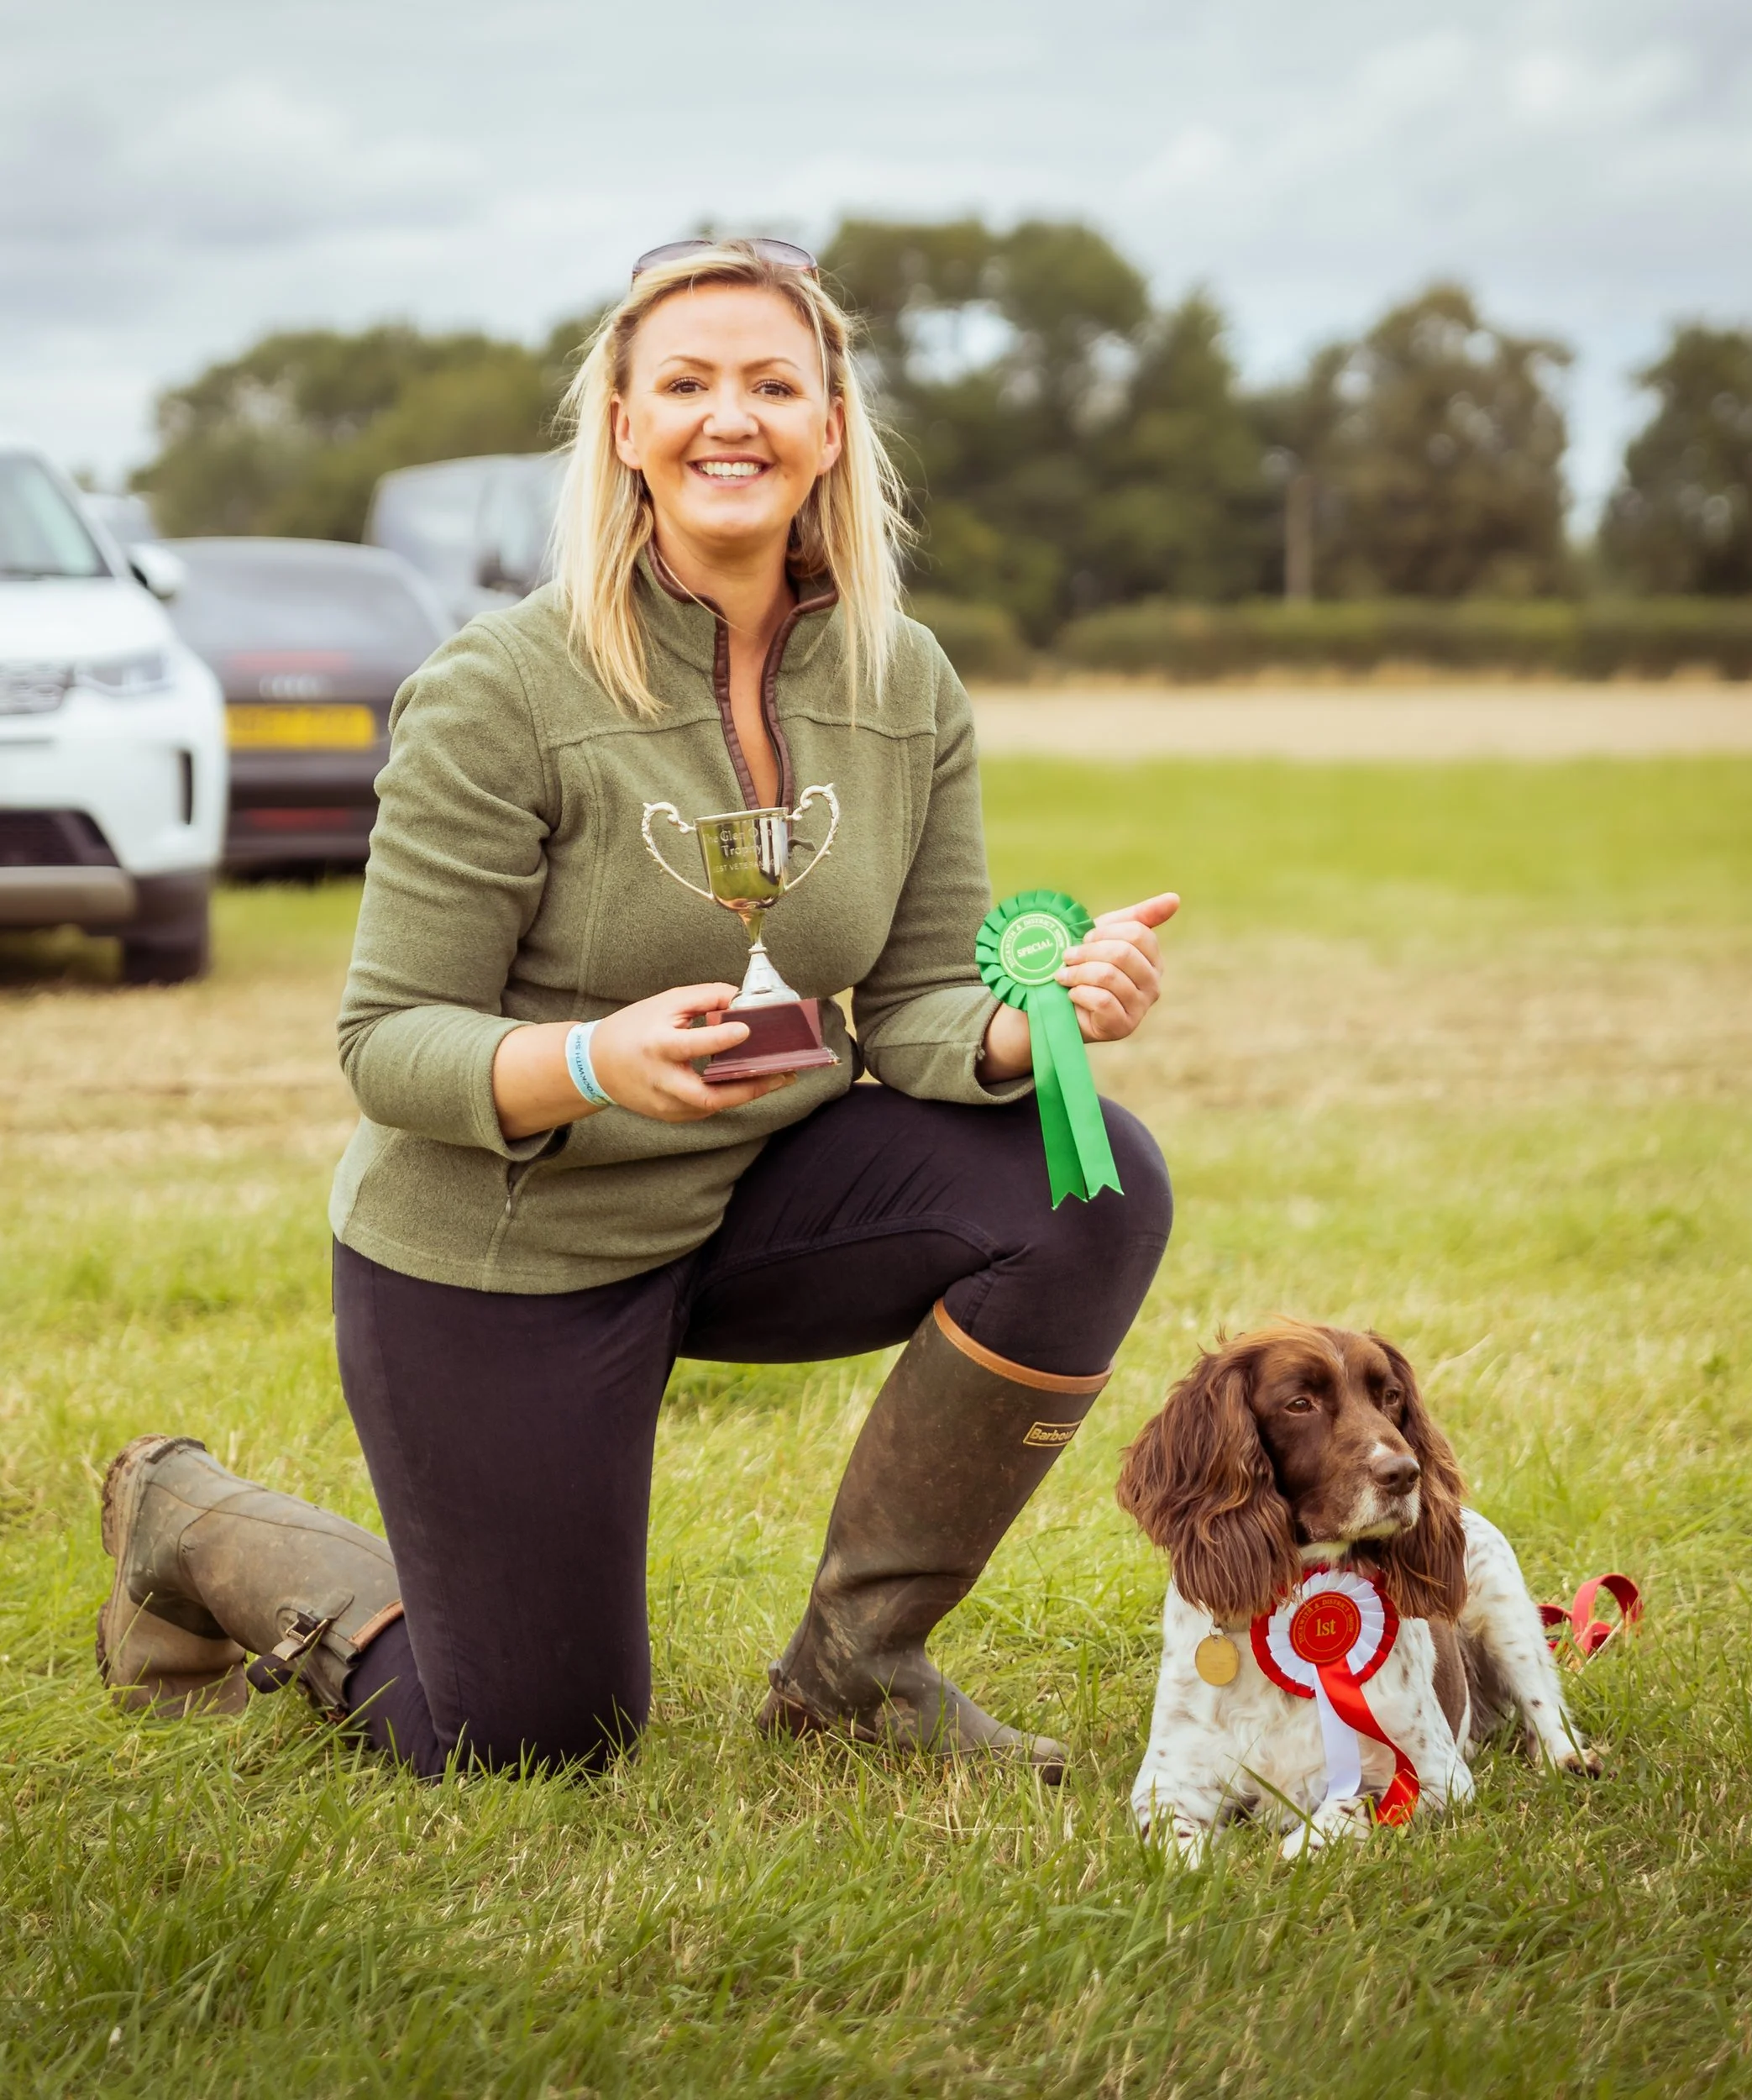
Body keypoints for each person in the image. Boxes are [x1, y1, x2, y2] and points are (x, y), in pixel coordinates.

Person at [95, 238, 1176, 1782]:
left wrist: (1039, 1024)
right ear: (622, 427)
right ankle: (193, 1521)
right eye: (684, 384)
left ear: (830, 426)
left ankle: (857, 1671)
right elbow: (385, 1041)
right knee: (528, 1739)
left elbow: (928, 998)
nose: (727, 417)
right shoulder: (501, 688)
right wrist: (591, 1061)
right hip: (511, 1246)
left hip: (763, 1195)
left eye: (770, 385)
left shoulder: (909, 680)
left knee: (1098, 1177)